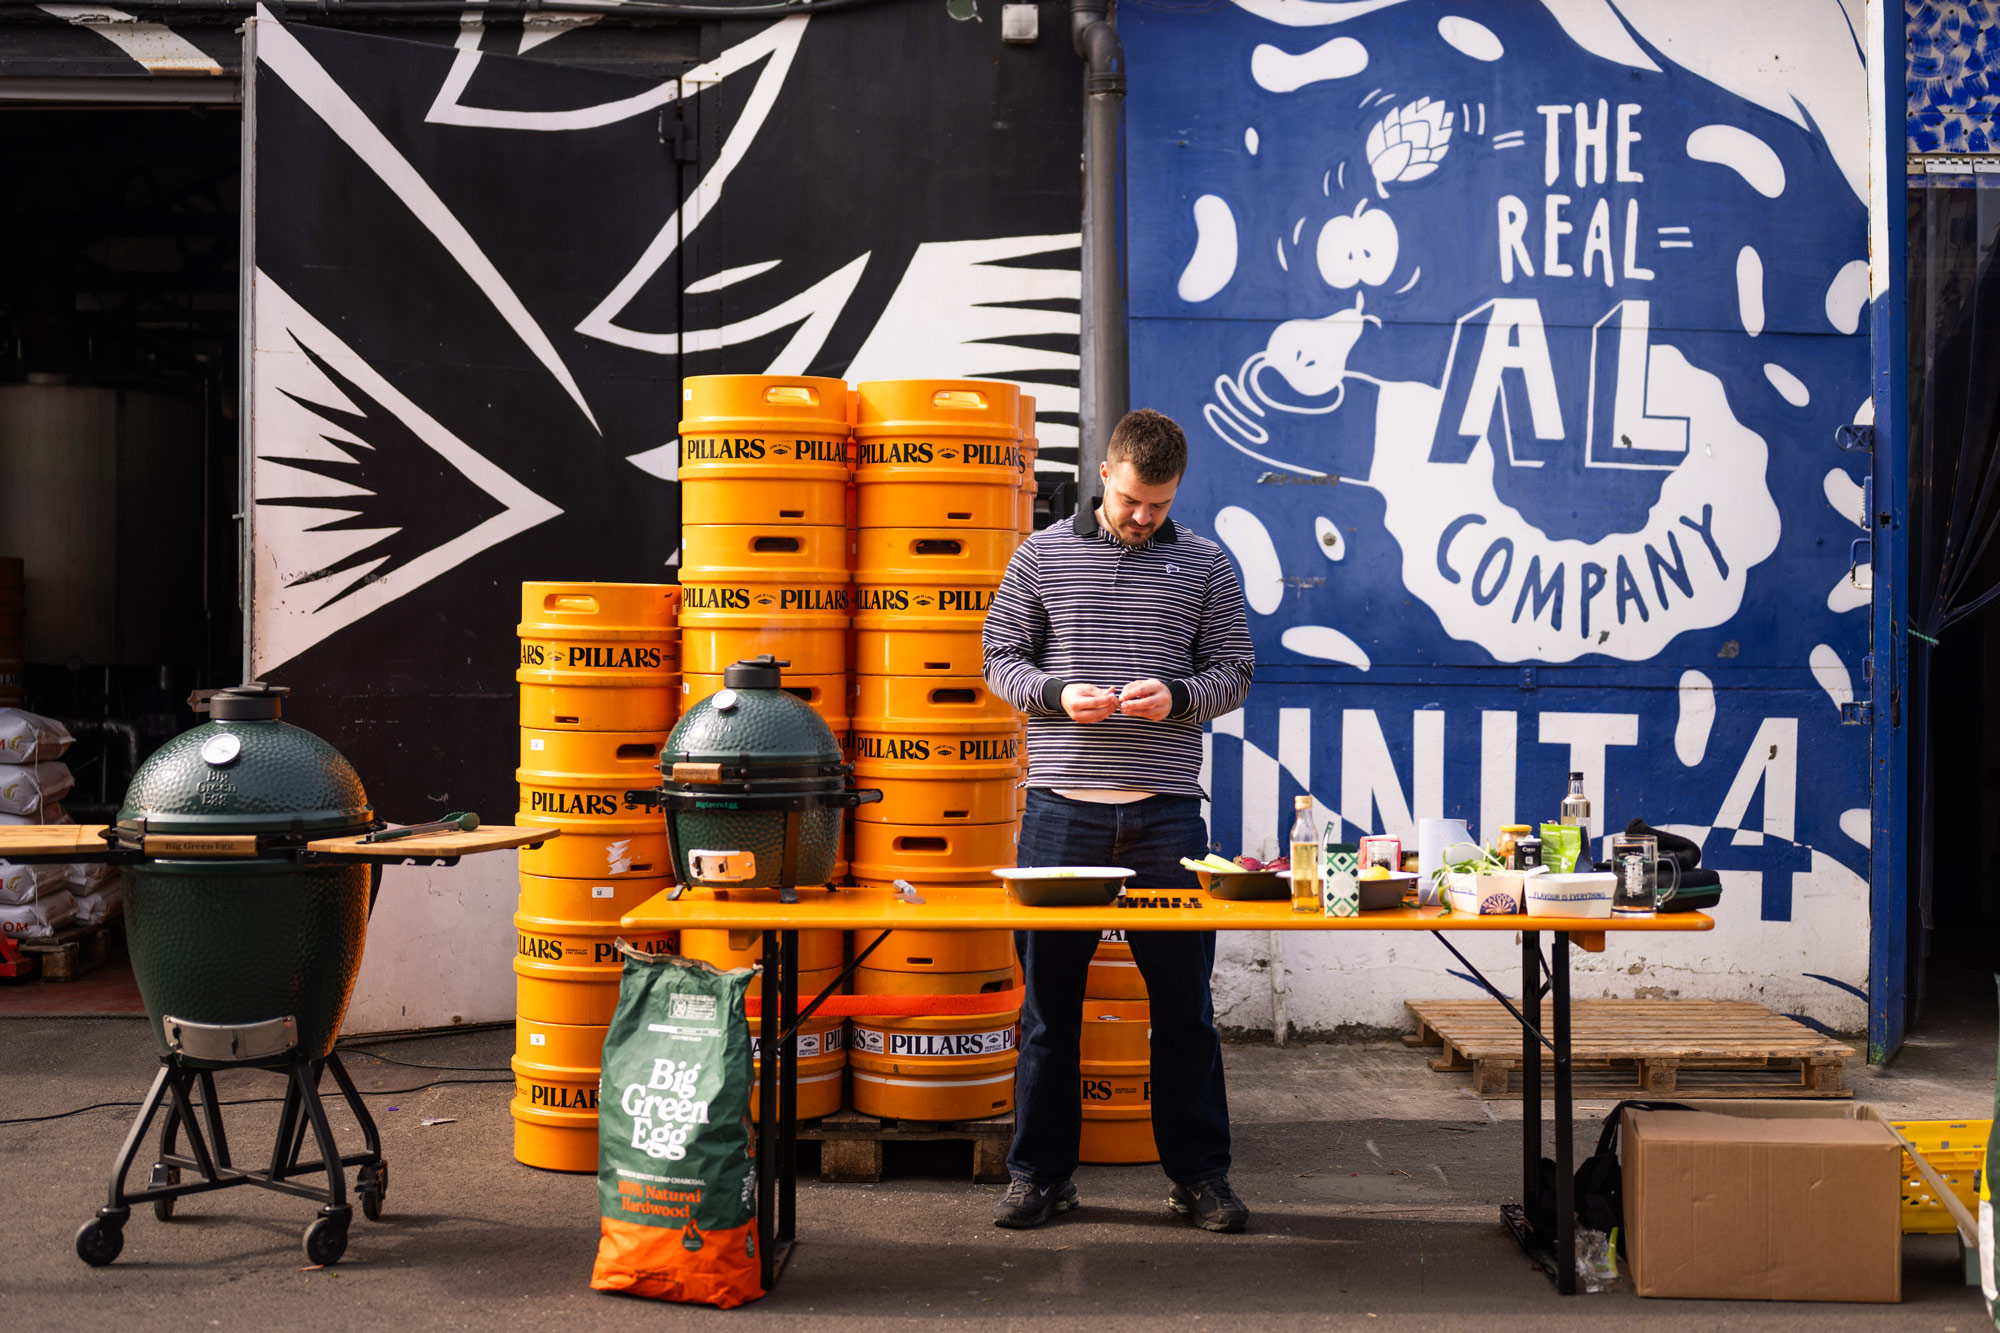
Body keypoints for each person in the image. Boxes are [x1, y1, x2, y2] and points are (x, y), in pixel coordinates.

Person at [981, 407, 1256, 1233]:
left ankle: (1200, 1177)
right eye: (1134, 499)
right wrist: (1057, 693)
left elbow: (1237, 672)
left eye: (1160, 505)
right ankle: (1038, 1175)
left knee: (1184, 1011)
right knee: (1048, 1013)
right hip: (1061, 817)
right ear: (1105, 473)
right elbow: (999, 658)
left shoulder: (1207, 565)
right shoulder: (1041, 555)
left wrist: (1179, 697)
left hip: (1169, 821)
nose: (1143, 517)